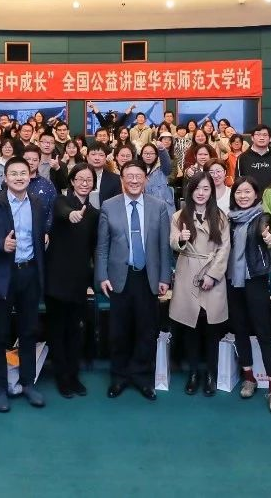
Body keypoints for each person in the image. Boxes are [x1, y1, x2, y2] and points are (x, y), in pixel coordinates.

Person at [95, 161, 173, 401]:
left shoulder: (159, 206)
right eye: (129, 176)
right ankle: (118, 377)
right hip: (119, 277)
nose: (134, 180)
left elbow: (164, 246)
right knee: (118, 331)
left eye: (139, 176)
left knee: (146, 330)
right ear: (122, 179)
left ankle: (141, 376)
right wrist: (102, 276)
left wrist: (165, 277)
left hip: (148, 277)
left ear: (146, 179)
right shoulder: (109, 206)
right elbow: (102, 246)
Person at [0, 157, 49, 412]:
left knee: (29, 331)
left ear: (30, 176)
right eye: (14, 174)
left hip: (29, 274)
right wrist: (1, 245)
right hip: (3, 276)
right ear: (5, 178)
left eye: (23, 173)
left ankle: (27, 383)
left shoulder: (37, 204)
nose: (19, 177)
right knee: (0, 334)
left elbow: (39, 236)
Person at [170, 173, 230, 398]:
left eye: (206, 188)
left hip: (212, 275)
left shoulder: (220, 216)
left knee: (212, 329)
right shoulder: (179, 216)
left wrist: (213, 275)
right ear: (190, 190)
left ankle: (211, 374)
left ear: (211, 191)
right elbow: (172, 242)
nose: (201, 193)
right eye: (197, 188)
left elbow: (224, 248)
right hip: (188, 273)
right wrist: (181, 239)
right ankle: (193, 373)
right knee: (190, 327)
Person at [224, 178, 271, 412]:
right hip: (232, 281)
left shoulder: (261, 217)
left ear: (256, 194)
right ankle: (248, 377)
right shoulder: (229, 220)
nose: (243, 196)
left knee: (263, 332)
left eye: (247, 192)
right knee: (239, 329)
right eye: (239, 192)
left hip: (255, 280)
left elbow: (266, 233)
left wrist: (269, 239)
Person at [44, 163, 100, 399]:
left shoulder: (95, 214)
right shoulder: (61, 201)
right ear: (73, 181)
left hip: (79, 281)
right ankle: (62, 378)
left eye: (89, 180)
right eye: (80, 179)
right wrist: (72, 214)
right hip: (56, 279)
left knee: (75, 332)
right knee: (57, 330)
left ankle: (74, 375)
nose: (85, 183)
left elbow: (94, 248)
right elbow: (63, 212)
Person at [236, 124, 271, 190]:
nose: (261, 138)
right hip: (249, 195)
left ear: (270, 139)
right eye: (258, 134)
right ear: (252, 138)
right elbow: (238, 181)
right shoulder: (242, 158)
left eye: (265, 135)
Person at [85, 142, 123, 207]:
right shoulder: (78, 177)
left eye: (101, 155)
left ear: (105, 158)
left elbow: (117, 204)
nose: (97, 158)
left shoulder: (115, 180)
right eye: (93, 154)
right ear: (87, 157)